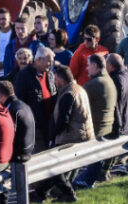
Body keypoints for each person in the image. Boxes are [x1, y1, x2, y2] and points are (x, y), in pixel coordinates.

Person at [48, 65, 93, 202]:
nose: (54, 82)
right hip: (83, 134)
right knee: (70, 170)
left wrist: (53, 136)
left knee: (56, 169)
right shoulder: (79, 89)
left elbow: (63, 120)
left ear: (61, 80)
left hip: (70, 137)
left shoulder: (68, 94)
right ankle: (65, 193)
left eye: (55, 79)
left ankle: (67, 193)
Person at [74, 53, 117, 188]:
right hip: (107, 125)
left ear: (95, 66)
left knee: (94, 155)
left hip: (97, 127)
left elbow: (77, 103)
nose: (86, 69)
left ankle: (86, 181)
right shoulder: (109, 80)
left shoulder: (95, 84)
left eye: (88, 66)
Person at [13, 45, 57, 152]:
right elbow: (19, 102)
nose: (51, 64)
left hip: (50, 123)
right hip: (35, 126)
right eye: (49, 61)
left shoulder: (49, 74)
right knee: (39, 155)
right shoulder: (23, 75)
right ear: (39, 60)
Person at [0, 80, 34, 163]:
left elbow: (8, 136)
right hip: (29, 150)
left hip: (18, 155)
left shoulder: (10, 109)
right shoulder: (24, 105)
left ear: (1, 96)